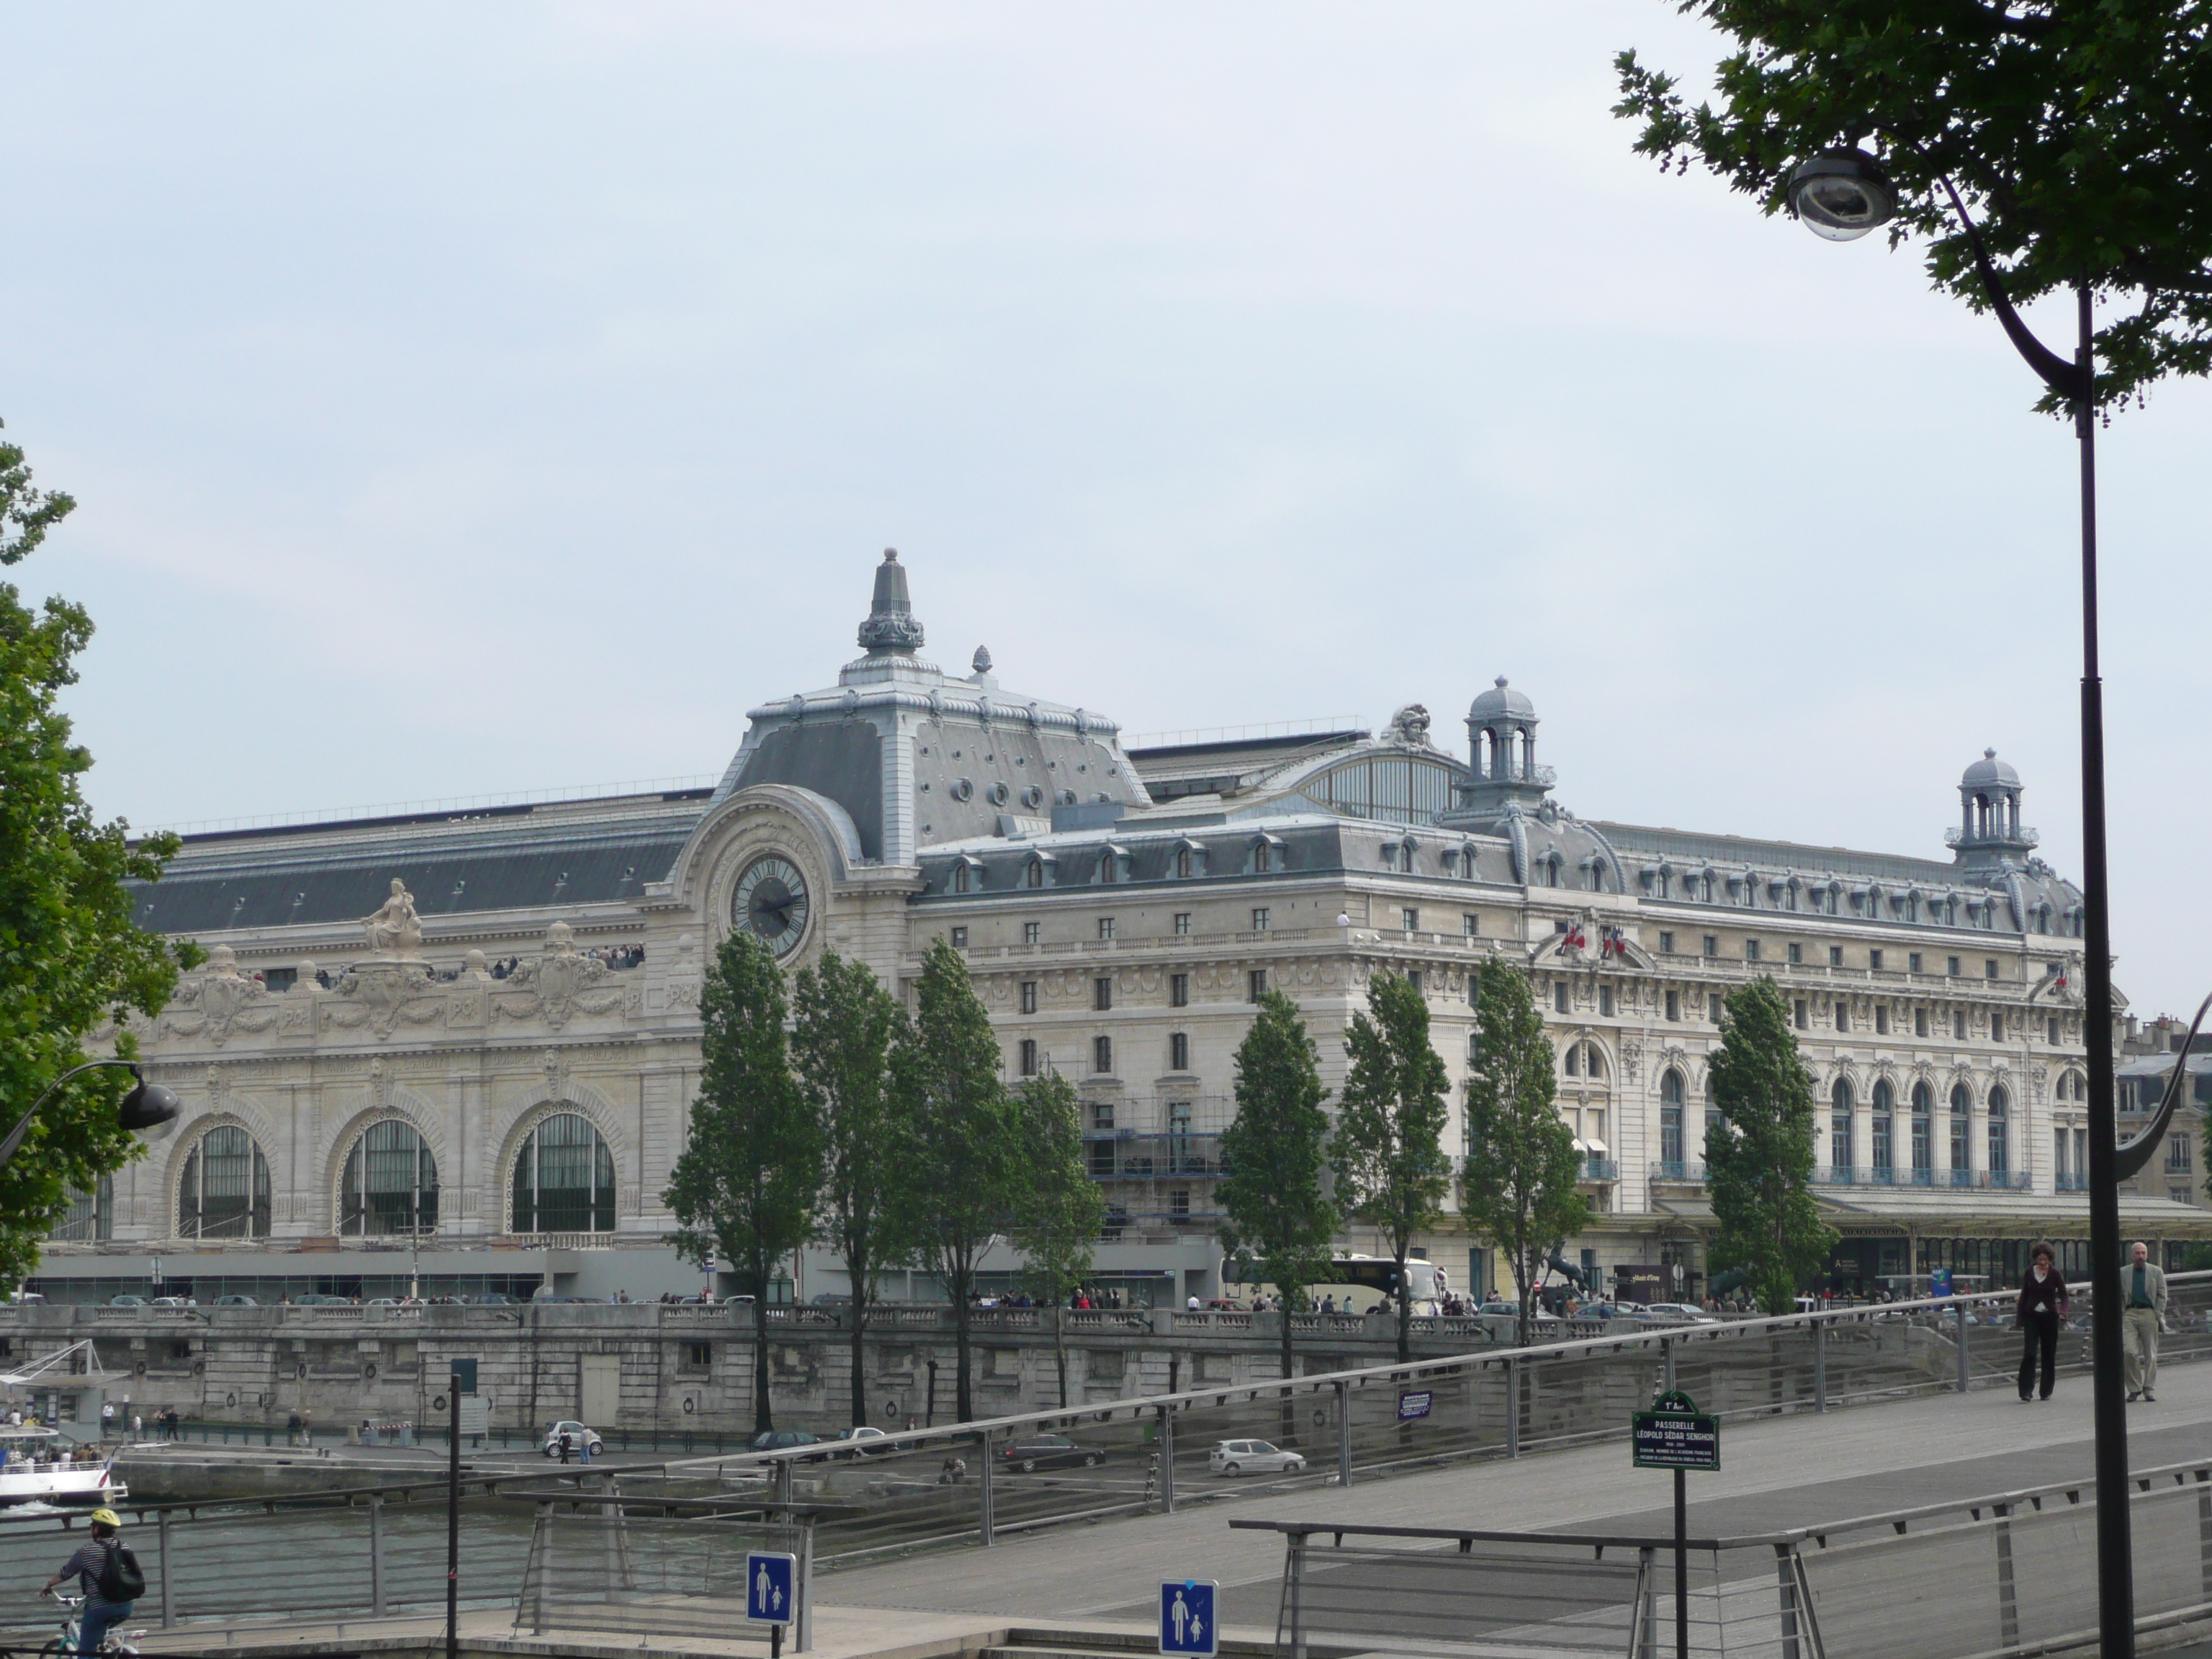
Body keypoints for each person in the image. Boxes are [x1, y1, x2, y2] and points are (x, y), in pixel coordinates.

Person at [42, 1507, 136, 1655]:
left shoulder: (86, 1551)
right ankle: (119, 1652)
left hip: (100, 1608)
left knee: (86, 1652)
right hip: (126, 1606)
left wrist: (48, 1585)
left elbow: (65, 1573)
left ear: (97, 1529)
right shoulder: (124, 1547)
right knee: (105, 1629)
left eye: (92, 1526)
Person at [2016, 1240, 2069, 1402]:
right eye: (2040, 1259)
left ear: (2050, 1259)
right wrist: (2020, 1318)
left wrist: (2063, 1312)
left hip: (2049, 1317)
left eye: (2045, 1260)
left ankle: (2046, 1390)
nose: (2043, 1263)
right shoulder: (2029, 1273)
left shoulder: (2055, 1274)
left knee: (2049, 1354)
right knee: (2030, 1353)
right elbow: (2024, 1295)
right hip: (2032, 1316)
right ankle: (2026, 1390)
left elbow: (2064, 1295)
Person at [2124, 1240, 2169, 1403]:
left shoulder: (2156, 1272)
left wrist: (2157, 1313)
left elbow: (2162, 1295)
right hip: (2129, 1312)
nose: (2140, 1256)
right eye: (2137, 1253)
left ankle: (2149, 1389)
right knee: (2129, 1351)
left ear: (2147, 1255)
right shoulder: (2123, 1272)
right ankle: (2134, 1388)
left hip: (2149, 1313)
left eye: (2143, 1253)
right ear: (2132, 1255)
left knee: (2150, 1353)